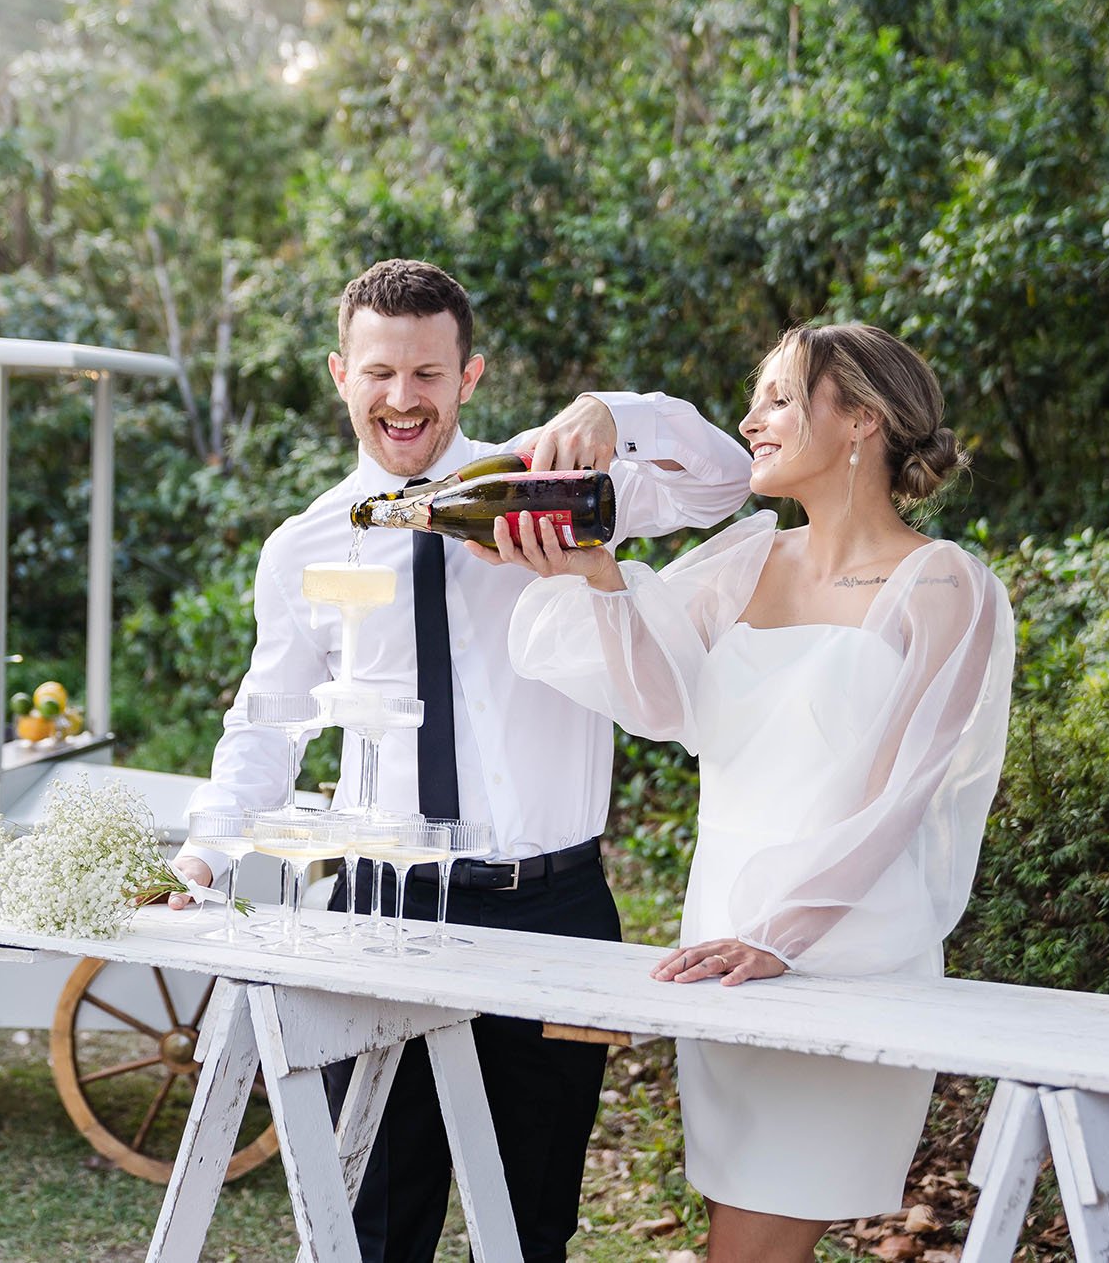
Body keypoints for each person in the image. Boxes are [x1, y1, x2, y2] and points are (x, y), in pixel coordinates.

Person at [169, 258, 751, 1262]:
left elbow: (726, 480)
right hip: (377, 907)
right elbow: (266, 726)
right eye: (380, 372)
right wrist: (206, 855)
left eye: (428, 375)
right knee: (373, 1221)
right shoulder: (302, 546)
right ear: (337, 373)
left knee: (529, 1228)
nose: (403, 399)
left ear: (468, 376)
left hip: (552, 911)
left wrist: (615, 413)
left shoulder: (548, 487)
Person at [491, 322, 1014, 1263]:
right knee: (744, 1229)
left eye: (778, 397)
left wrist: (782, 936)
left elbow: (902, 796)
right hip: (720, 942)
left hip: (846, 951)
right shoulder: (746, 558)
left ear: (861, 418)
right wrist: (600, 578)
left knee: (751, 1245)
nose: (751, 419)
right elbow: (660, 702)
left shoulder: (943, 585)